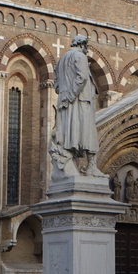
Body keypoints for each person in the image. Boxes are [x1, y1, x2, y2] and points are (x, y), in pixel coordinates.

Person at [51, 34, 102, 176]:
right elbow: (82, 78)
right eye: (86, 46)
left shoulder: (62, 60)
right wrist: (71, 95)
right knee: (88, 133)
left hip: (65, 101)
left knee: (69, 132)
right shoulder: (80, 56)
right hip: (80, 101)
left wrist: (65, 94)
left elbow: (56, 84)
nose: (87, 49)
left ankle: (69, 162)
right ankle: (91, 166)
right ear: (83, 45)